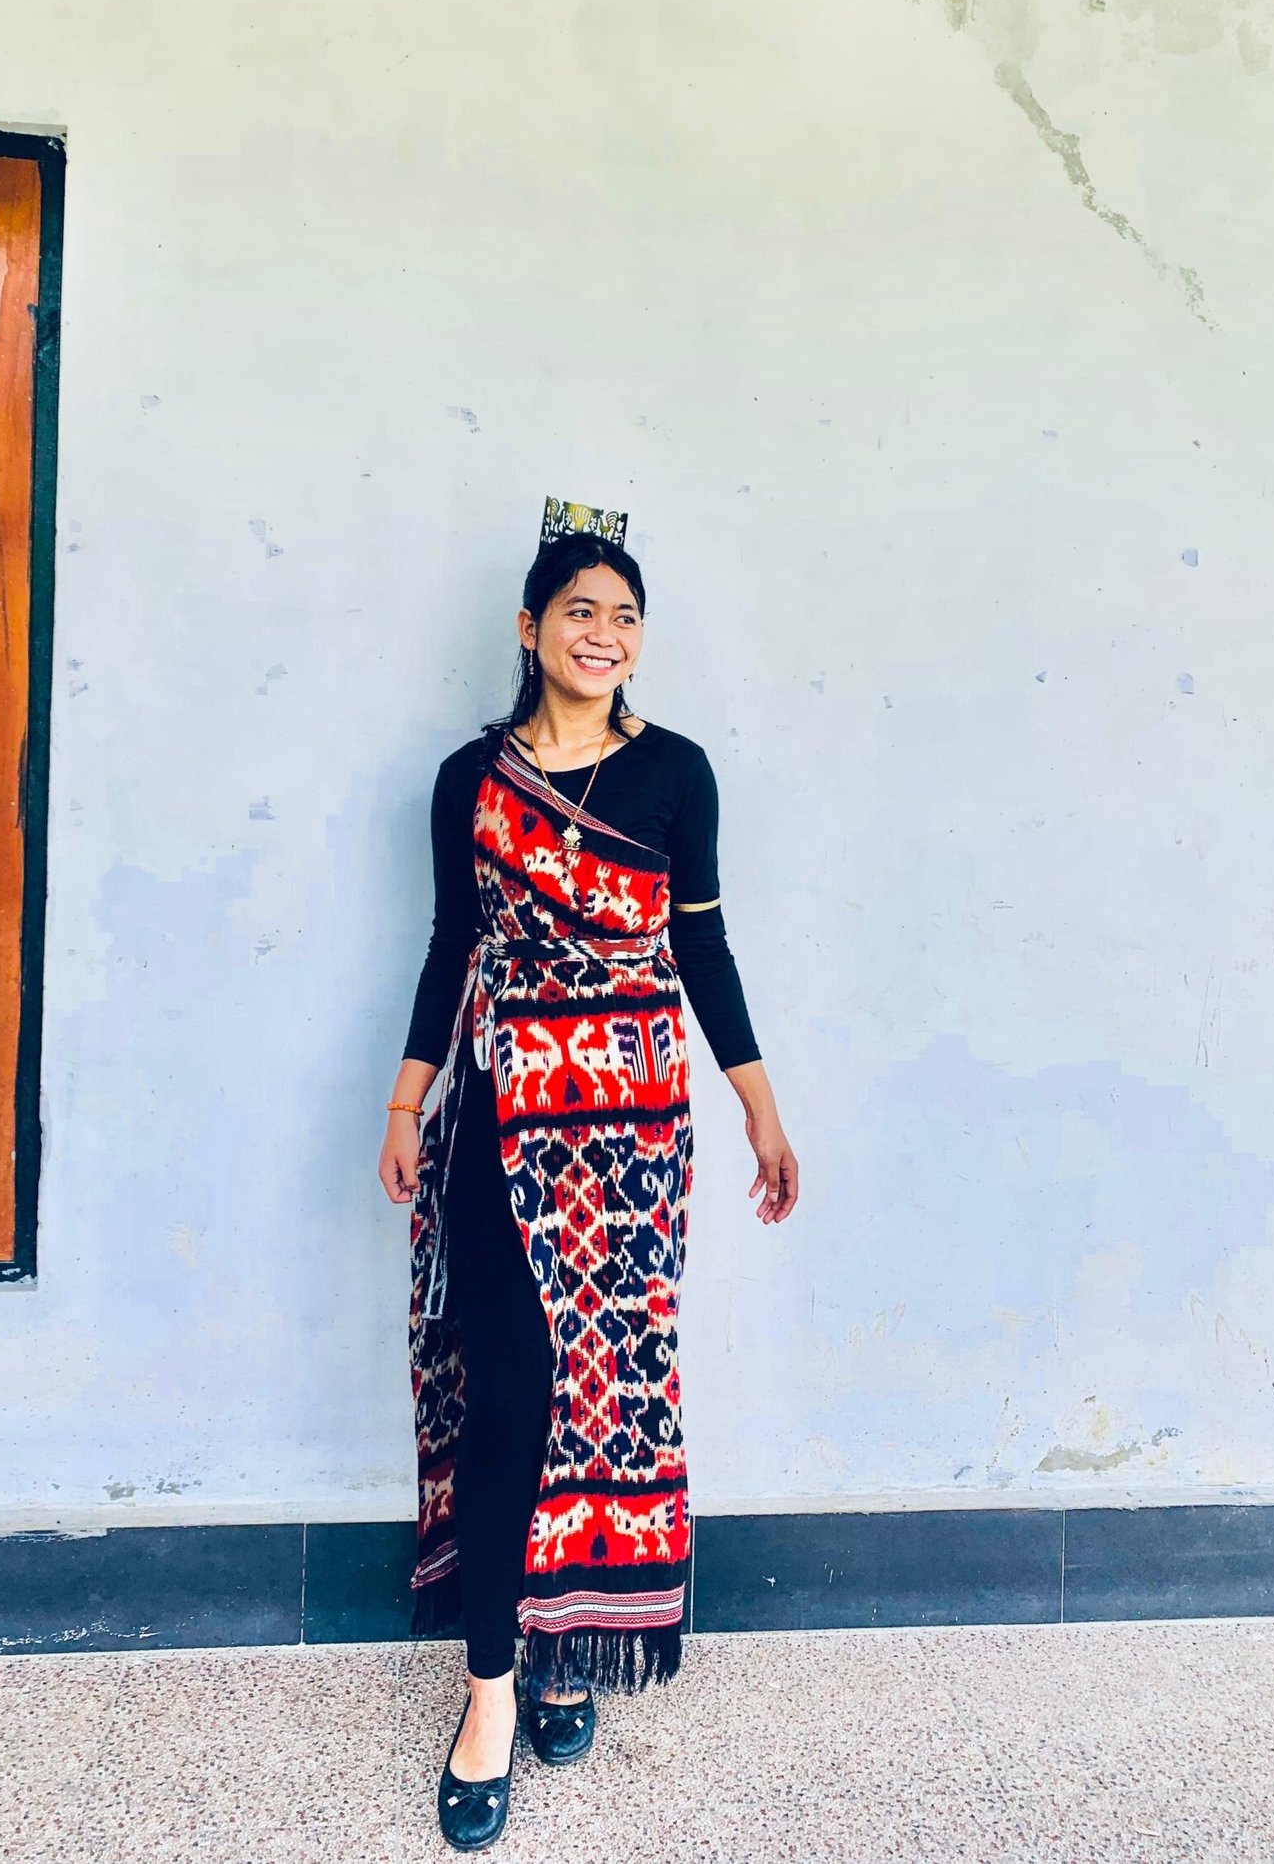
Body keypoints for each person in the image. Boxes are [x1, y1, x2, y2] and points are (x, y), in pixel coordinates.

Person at [377, 498, 800, 1851]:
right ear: (531, 626)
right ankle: (491, 1689)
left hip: (633, 1143)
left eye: (624, 615)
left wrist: (760, 1111)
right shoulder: (472, 780)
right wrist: (407, 1101)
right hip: (504, 1128)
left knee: (598, 1396)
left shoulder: (676, 773)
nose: (603, 633)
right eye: (580, 611)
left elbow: (703, 953)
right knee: (511, 1392)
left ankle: (569, 1642)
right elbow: (452, 947)